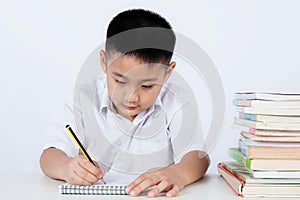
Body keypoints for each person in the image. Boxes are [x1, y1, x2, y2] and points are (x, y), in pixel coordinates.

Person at [40, 8, 210, 197]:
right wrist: (65, 167)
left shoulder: (176, 101)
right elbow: (49, 156)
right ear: (104, 62)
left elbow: (198, 158)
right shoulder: (83, 99)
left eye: (146, 86)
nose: (131, 97)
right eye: (120, 81)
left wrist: (179, 174)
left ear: (167, 73)